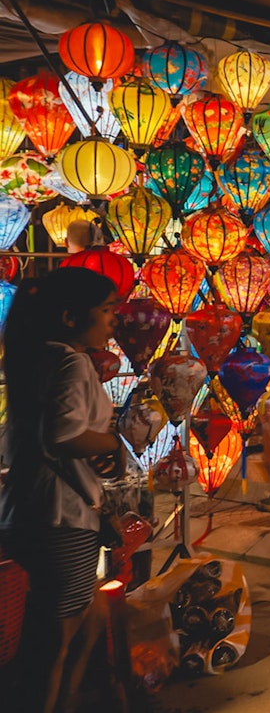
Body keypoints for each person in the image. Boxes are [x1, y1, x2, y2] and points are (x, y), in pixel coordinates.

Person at [0, 267, 124, 712]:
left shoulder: (38, 356)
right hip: (61, 516)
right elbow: (63, 436)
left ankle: (66, 701)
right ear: (72, 316)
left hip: (29, 509)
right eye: (107, 309)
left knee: (88, 620)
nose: (114, 320)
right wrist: (119, 440)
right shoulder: (71, 361)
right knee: (53, 641)